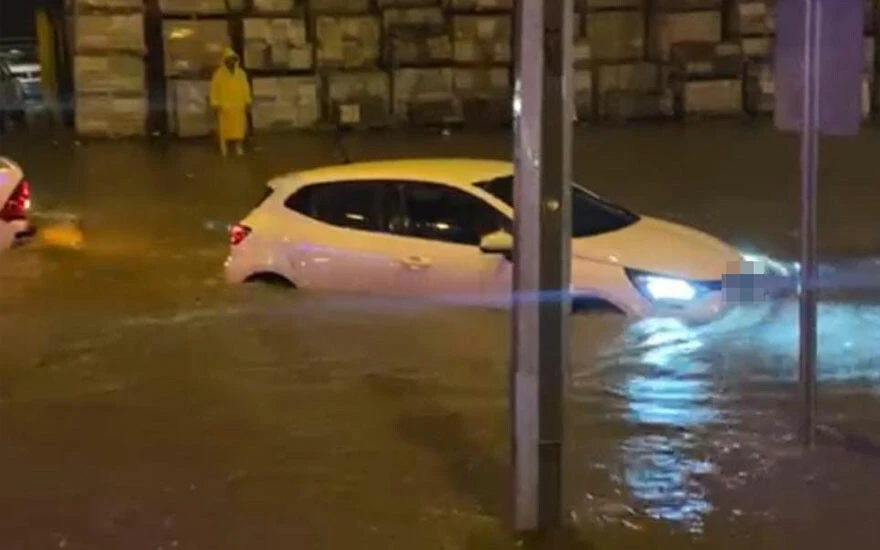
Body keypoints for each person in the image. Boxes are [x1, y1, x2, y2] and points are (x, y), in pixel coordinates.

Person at [209, 48, 251, 157]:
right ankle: (224, 147)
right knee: (224, 129)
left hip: (238, 105)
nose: (231, 62)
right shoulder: (218, 74)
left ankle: (238, 146)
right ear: (224, 61)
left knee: (239, 128)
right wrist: (215, 103)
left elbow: (245, 88)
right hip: (224, 106)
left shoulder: (241, 74)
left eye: (233, 59)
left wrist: (247, 101)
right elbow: (214, 89)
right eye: (228, 60)